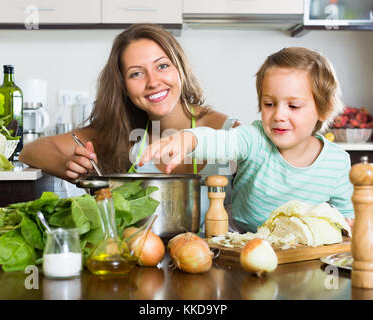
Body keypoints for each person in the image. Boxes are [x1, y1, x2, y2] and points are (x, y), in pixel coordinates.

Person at [19, 23, 240, 220]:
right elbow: (30, 151)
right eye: (136, 74)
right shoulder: (123, 132)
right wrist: (69, 167)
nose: (153, 81)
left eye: (162, 66)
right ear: (123, 86)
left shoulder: (227, 131)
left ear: (180, 68)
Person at [139, 47, 355, 232]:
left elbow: (346, 217)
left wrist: (348, 226)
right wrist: (188, 140)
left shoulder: (337, 163)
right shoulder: (255, 138)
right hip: (240, 235)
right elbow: (220, 142)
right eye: (269, 104)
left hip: (299, 248)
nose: (279, 115)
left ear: (324, 110)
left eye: (293, 106)